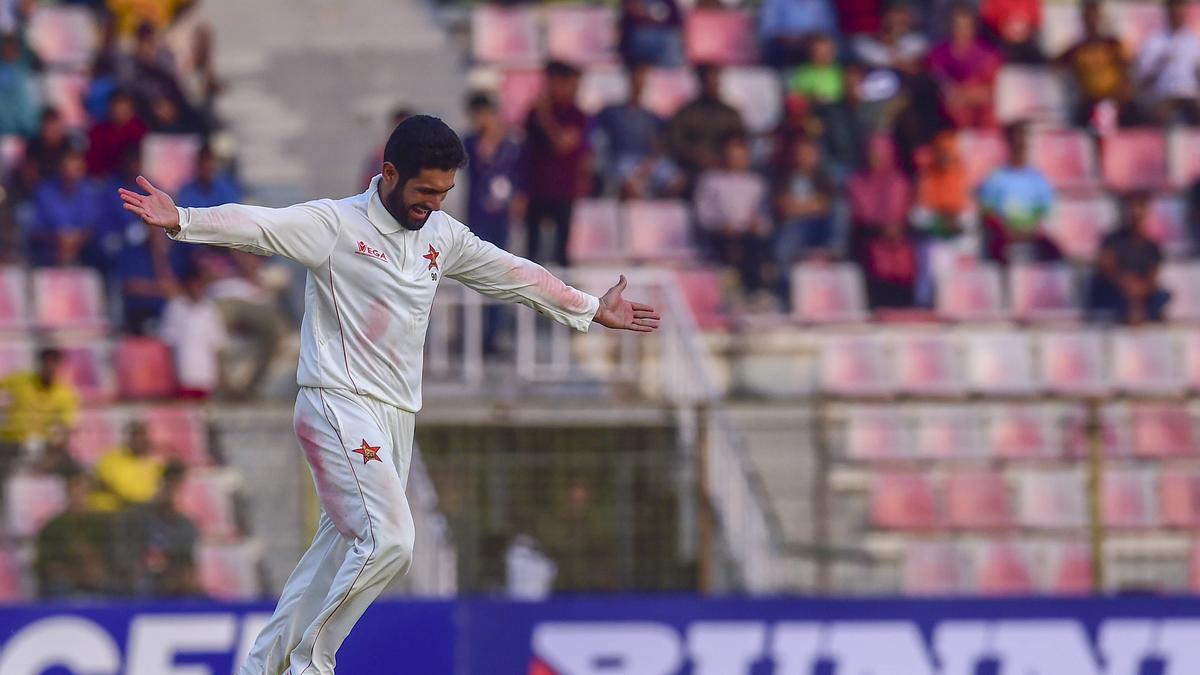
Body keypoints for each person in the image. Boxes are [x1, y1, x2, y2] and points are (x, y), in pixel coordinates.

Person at [118, 114, 660, 674]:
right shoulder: (337, 224)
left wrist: (590, 308)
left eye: (445, 193)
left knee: (333, 557)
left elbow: (512, 273)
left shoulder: (441, 236)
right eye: (425, 190)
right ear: (390, 172)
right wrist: (182, 219)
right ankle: (311, 664)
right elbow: (260, 225)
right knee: (391, 542)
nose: (434, 204)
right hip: (336, 400)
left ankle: (262, 668)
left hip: (395, 415)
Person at [521, 61, 590, 266]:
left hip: (564, 191)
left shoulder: (576, 115)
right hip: (537, 188)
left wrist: (546, 118)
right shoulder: (534, 114)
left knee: (562, 252)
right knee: (532, 251)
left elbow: (562, 143)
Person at [694, 135, 772, 297]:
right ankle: (732, 294)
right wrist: (720, 225)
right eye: (732, 156)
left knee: (754, 244)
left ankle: (756, 293)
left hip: (749, 233)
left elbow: (765, 215)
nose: (736, 161)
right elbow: (702, 213)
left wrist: (759, 224)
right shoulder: (711, 180)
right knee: (732, 246)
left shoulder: (756, 183)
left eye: (740, 157)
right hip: (720, 232)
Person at [114, 461, 202, 597]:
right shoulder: (136, 517)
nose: (172, 492)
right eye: (169, 485)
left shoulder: (187, 526)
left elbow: (187, 563)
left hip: (174, 583)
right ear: (160, 485)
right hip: (141, 581)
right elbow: (124, 554)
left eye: (177, 486)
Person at [977, 122, 1060, 264]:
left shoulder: (1038, 179)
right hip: (1004, 236)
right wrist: (1007, 230)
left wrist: (1030, 230)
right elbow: (987, 212)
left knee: (1055, 253)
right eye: (1015, 142)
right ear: (1008, 144)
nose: (1019, 146)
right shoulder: (995, 178)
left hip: (1031, 234)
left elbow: (1044, 212)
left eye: (1023, 142)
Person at [1088, 192, 1171, 324]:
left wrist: (1139, 289)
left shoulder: (1152, 247)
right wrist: (1127, 283)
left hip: (1140, 291)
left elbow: (1152, 276)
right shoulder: (1112, 240)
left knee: (1161, 296)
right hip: (1116, 289)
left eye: (1140, 209)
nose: (1136, 214)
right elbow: (1107, 269)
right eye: (1132, 209)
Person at [34, 469, 116, 598]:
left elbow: (110, 557)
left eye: (85, 492)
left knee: (112, 584)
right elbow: (45, 563)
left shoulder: (100, 525)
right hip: (65, 577)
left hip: (95, 576)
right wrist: (74, 572)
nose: (81, 497)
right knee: (59, 584)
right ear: (68, 494)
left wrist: (92, 560)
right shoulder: (53, 526)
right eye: (76, 492)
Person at [1057, 0, 1137, 129]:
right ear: (1083, 19)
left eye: (1095, 16)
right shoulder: (1076, 48)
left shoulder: (1113, 44)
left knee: (1135, 116)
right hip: (1089, 102)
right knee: (1077, 126)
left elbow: (1126, 72)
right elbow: (1056, 64)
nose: (1092, 21)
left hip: (1115, 100)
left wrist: (1121, 97)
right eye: (1088, 17)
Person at [0, 348, 78, 471]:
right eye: (46, 363)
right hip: (12, 439)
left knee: (73, 468)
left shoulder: (65, 394)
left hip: (43, 443)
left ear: (59, 366)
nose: (49, 368)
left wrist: (55, 448)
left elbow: (66, 427)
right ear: (40, 364)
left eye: (54, 363)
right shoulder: (19, 381)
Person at [593, 63, 666, 195]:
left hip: (647, 162)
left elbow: (659, 146)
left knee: (675, 180)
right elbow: (596, 138)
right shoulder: (611, 112)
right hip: (621, 161)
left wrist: (648, 165)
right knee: (631, 185)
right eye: (635, 78)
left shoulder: (652, 117)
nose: (639, 83)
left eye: (642, 79)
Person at [928, 3, 1002, 129]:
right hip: (945, 120)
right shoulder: (937, 54)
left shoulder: (989, 55)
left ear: (974, 27)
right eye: (957, 26)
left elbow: (993, 92)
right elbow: (935, 82)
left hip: (980, 120)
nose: (962, 30)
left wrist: (963, 96)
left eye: (966, 26)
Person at [667, 64, 746, 180]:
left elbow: (740, 143)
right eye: (708, 81)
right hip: (692, 169)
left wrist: (722, 158)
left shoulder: (731, 114)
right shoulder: (686, 113)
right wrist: (695, 156)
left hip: (725, 168)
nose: (712, 85)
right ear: (701, 82)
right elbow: (675, 142)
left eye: (715, 80)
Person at [160, 265, 227, 397]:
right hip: (183, 374)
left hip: (206, 376)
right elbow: (168, 345)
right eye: (194, 284)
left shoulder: (210, 310)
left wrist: (221, 377)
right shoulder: (175, 308)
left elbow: (217, 345)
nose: (197, 288)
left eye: (200, 285)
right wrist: (170, 375)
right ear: (187, 285)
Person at [773, 137, 838, 273]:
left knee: (841, 210)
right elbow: (784, 209)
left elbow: (826, 206)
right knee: (783, 247)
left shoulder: (823, 177)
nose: (803, 158)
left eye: (808, 154)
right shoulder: (785, 178)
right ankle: (785, 284)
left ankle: (835, 251)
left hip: (820, 225)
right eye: (800, 154)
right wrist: (813, 205)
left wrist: (798, 206)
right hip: (794, 226)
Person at [32, 149, 106, 267]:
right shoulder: (44, 190)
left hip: (84, 251)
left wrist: (75, 240)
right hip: (50, 248)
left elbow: (93, 228)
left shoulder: (91, 191)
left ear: (83, 168)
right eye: (66, 167)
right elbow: (36, 228)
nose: (71, 173)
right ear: (59, 168)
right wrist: (57, 238)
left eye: (76, 168)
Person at [1133, 0, 1200, 126]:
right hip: (1163, 96)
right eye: (1174, 11)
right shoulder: (1154, 40)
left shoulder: (1193, 41)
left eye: (1180, 11)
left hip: (1189, 95)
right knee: (1162, 113)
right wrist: (1160, 64)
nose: (1177, 15)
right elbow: (1142, 79)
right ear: (1168, 12)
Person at [89, 419, 164, 512]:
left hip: (138, 514)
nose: (139, 440)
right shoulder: (111, 458)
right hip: (110, 511)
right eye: (136, 435)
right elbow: (113, 487)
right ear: (129, 437)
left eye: (143, 435)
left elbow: (152, 494)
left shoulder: (154, 465)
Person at [846, 136, 911, 240]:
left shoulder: (898, 182)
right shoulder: (856, 180)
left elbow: (898, 213)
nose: (873, 157)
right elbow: (859, 213)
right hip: (865, 234)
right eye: (871, 153)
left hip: (894, 237)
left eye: (878, 153)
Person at [758, 0, 837, 69]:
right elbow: (769, 30)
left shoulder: (821, 2)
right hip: (784, 45)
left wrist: (811, 39)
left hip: (812, 43)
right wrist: (793, 38)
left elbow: (827, 28)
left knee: (823, 47)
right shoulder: (775, 2)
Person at [86, 90, 147, 176]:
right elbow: (92, 162)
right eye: (116, 109)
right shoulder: (98, 131)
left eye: (124, 110)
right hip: (104, 179)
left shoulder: (141, 131)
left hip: (134, 177)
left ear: (132, 110)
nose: (119, 113)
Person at [853, 3, 928, 72]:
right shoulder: (863, 44)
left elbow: (914, 69)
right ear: (884, 16)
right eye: (897, 13)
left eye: (904, 13)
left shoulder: (918, 41)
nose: (902, 19)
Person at [618, 0, 684, 67]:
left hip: (664, 49)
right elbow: (633, 11)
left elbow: (676, 20)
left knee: (671, 38)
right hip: (635, 44)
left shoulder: (669, 3)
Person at [0, 33, 39, 137]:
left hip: (26, 125)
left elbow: (37, 59)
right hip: (4, 127)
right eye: (6, 47)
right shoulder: (2, 67)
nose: (10, 50)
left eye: (13, 47)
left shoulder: (24, 64)